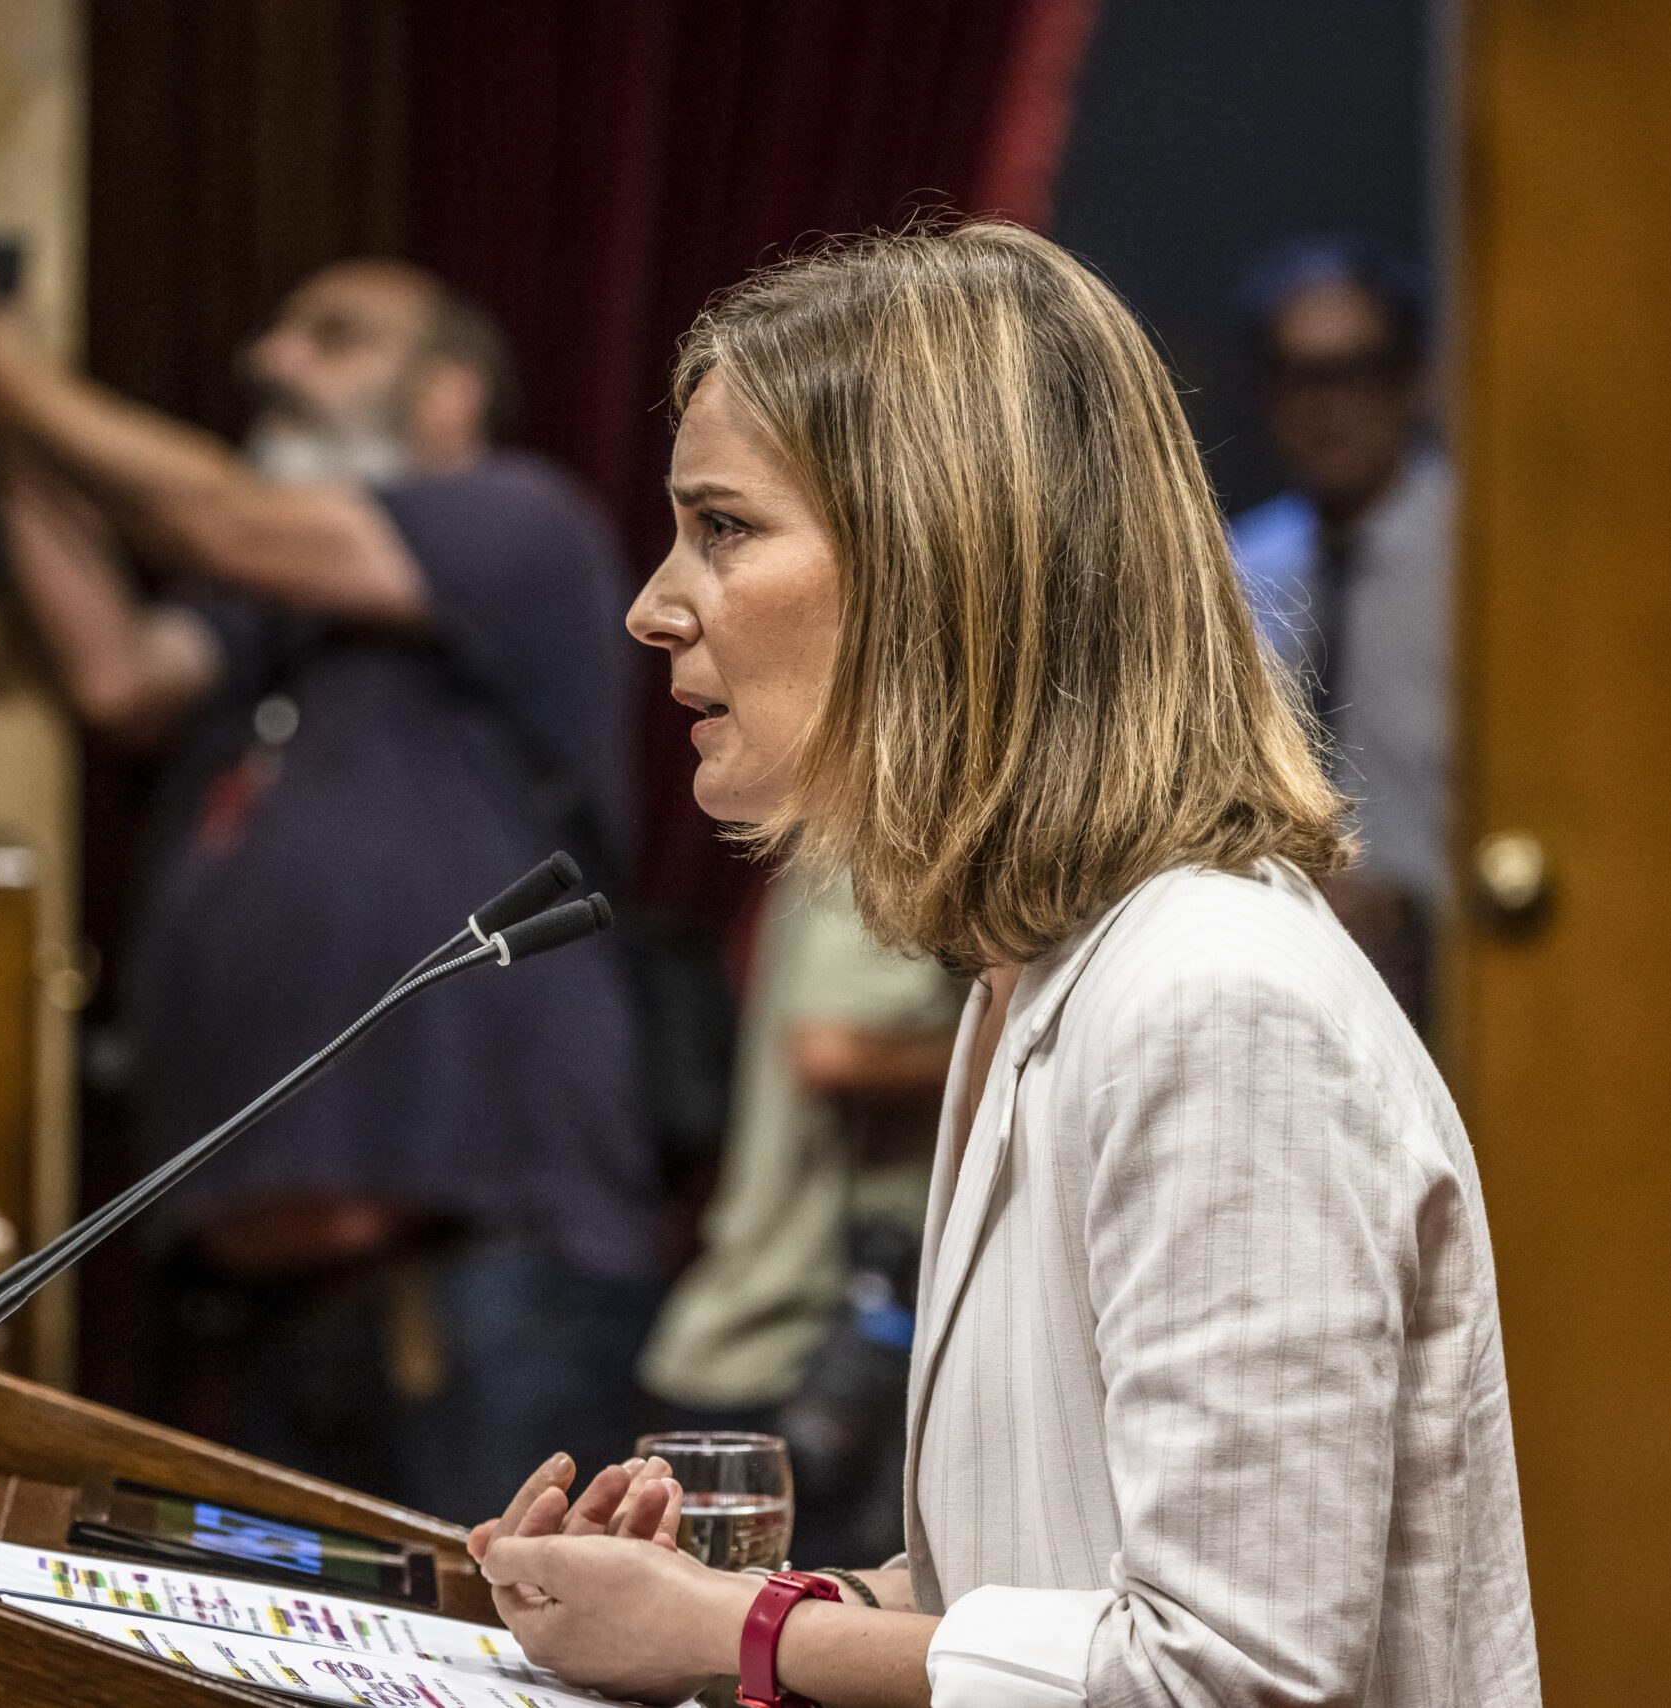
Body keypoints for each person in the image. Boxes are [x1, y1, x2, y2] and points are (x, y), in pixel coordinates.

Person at [463, 224, 1540, 1708]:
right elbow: (1041, 1582)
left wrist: (744, 1635)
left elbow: (1228, 1674)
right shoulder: (1032, 976)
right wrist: (713, 1605)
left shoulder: (1218, 999)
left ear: (938, 566)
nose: (654, 603)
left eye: (722, 526)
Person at [0, 259, 657, 1524]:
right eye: (277, 335)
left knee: (515, 1628)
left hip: (484, 1271)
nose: (272, 361)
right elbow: (119, 675)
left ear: (451, 394)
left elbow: (225, 520)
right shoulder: (270, 613)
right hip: (275, 1300)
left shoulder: (514, 518)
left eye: (334, 338)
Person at [640, 864, 962, 1566]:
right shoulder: (884, 842)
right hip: (806, 1343)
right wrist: (999, 1046)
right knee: (763, 1626)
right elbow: (833, 1047)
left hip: (804, 1336)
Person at [1229, 236, 1450, 1026]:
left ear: (1414, 380)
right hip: (1281, 989)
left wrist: (1418, 911)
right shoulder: (1239, 572)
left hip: (1463, 993)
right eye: (1300, 377)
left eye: (1357, 372)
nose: (1327, 406)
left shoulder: (1483, 569)